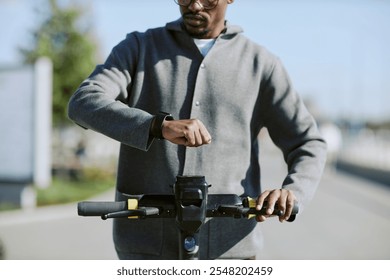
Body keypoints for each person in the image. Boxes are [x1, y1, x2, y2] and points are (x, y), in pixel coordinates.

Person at [68, 0, 327, 259]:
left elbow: (307, 143)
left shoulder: (262, 64)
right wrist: (156, 126)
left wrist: (293, 193)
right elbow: (83, 102)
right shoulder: (138, 47)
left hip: (231, 250)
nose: (194, 5)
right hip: (145, 246)